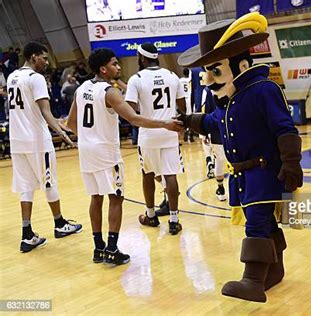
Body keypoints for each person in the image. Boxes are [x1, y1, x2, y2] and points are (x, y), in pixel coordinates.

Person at [177, 12, 303, 302]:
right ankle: (274, 271)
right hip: (243, 174)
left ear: (242, 65)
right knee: (264, 221)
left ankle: (252, 280)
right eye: (206, 72)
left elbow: (285, 129)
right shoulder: (229, 98)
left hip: (265, 171)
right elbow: (215, 123)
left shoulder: (263, 90)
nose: (208, 79)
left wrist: (291, 164)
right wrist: (188, 119)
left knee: (256, 222)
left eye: (215, 71)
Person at [66, 48, 183, 265]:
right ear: (103, 69)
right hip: (106, 153)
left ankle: (98, 248)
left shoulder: (81, 89)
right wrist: (165, 124)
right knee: (116, 198)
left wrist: (89, 137)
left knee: (96, 198)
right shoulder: (110, 92)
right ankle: (112, 248)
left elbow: (71, 124)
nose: (118, 67)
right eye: (114, 63)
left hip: (86, 151)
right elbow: (134, 119)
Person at [7, 41, 82, 253]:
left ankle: (27, 234)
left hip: (18, 141)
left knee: (26, 187)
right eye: (44, 58)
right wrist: (62, 133)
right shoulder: (36, 78)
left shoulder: (13, 76)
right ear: (33, 58)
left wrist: (59, 124)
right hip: (37, 141)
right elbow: (45, 111)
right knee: (49, 183)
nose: (47, 62)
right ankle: (59, 224)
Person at [125, 43, 186, 234]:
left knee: (148, 174)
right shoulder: (171, 75)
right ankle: (174, 220)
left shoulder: (136, 78)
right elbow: (183, 106)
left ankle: (151, 216)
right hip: (170, 131)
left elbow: (130, 110)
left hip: (148, 133)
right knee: (170, 175)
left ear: (141, 58)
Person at [202, 86, 227, 201]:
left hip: (216, 127)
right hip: (231, 126)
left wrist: (204, 132)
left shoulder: (207, 90)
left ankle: (221, 189)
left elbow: (205, 110)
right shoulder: (233, 85)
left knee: (219, 160)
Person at [180, 68, 194, 143]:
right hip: (189, 98)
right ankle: (190, 132)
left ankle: (185, 129)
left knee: (184, 116)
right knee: (190, 116)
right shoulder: (190, 79)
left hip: (182, 99)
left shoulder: (180, 80)